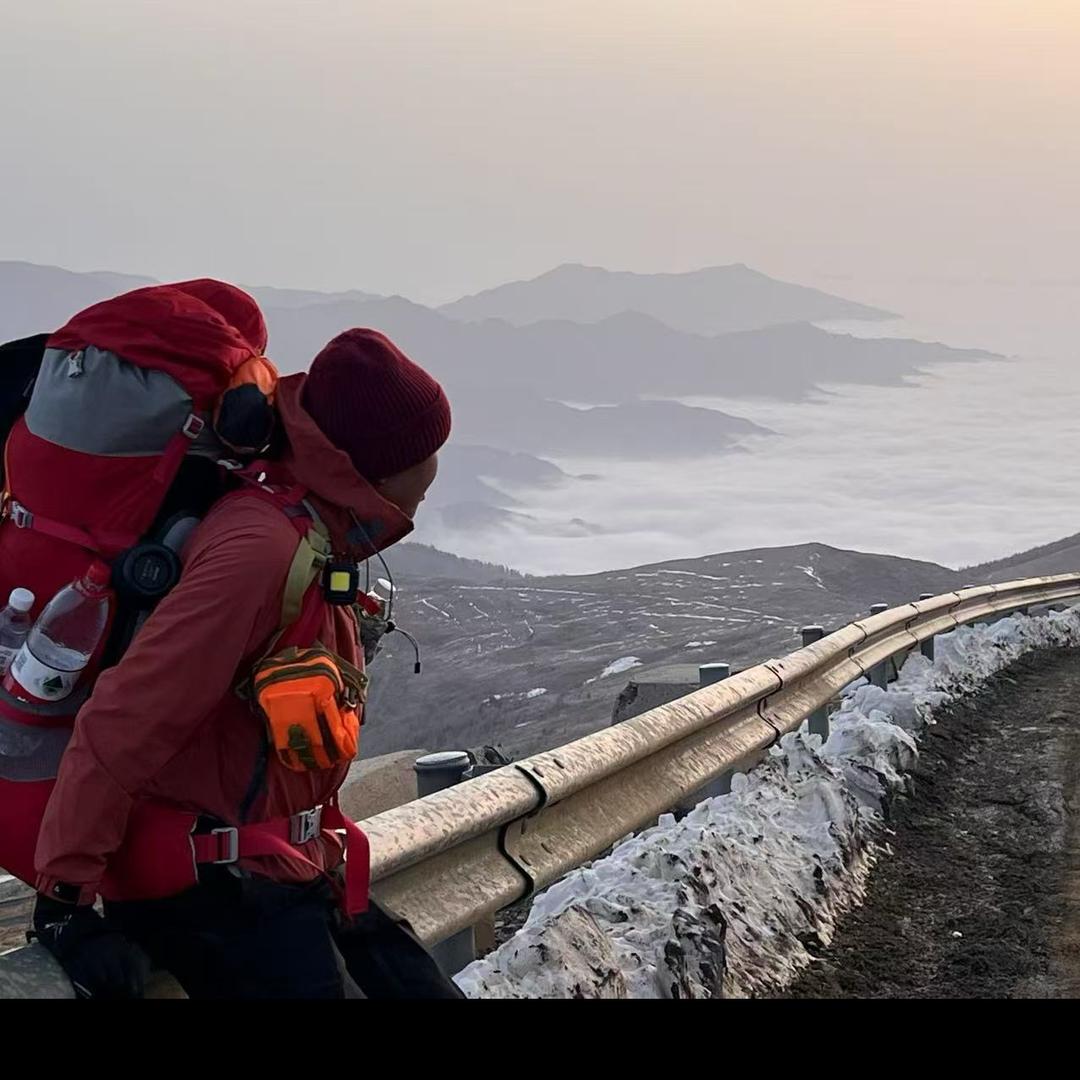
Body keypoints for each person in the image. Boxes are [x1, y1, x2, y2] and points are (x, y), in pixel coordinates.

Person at [29, 328, 461, 999]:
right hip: (211, 891)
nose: (432, 477)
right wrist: (65, 905)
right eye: (424, 457)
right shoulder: (258, 550)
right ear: (374, 466)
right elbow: (124, 718)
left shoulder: (315, 531)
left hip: (284, 869)